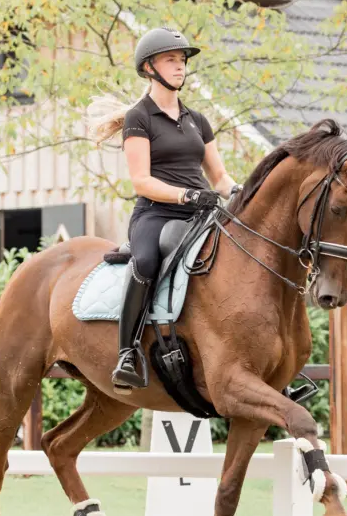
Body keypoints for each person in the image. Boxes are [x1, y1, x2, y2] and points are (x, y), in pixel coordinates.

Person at [88, 27, 242, 393]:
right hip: (156, 215)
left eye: (182, 60)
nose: (180, 67)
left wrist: (239, 191)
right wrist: (186, 195)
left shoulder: (198, 120)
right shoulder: (139, 118)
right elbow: (141, 180)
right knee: (144, 262)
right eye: (171, 60)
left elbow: (218, 176)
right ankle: (127, 353)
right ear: (149, 68)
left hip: (202, 214)